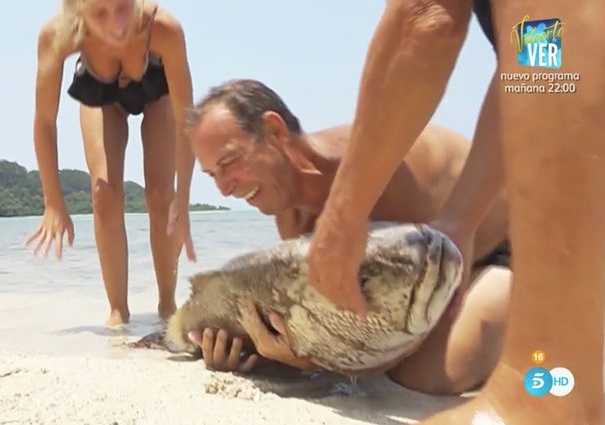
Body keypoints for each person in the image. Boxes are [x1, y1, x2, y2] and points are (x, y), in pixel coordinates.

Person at [305, 0, 604, 423]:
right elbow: (533, 63)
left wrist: (343, 216)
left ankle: (546, 398)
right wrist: (459, 221)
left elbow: (425, 16)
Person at [183, 78, 512, 395]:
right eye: (213, 174)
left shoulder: (384, 170)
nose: (223, 189)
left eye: (229, 162)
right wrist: (261, 351)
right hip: (435, 285)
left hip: (505, 253)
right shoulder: (291, 214)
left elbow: (396, 335)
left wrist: (317, 360)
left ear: (274, 131)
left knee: (430, 375)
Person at [25, 0, 197, 326]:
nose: (116, 24)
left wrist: (184, 201)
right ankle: (118, 312)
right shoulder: (56, 34)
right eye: (100, 13)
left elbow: (186, 118)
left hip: (158, 93)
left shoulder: (164, 29)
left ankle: (166, 306)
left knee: (162, 195)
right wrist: (53, 203)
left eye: (123, 7)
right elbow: (45, 121)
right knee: (105, 193)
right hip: (100, 94)